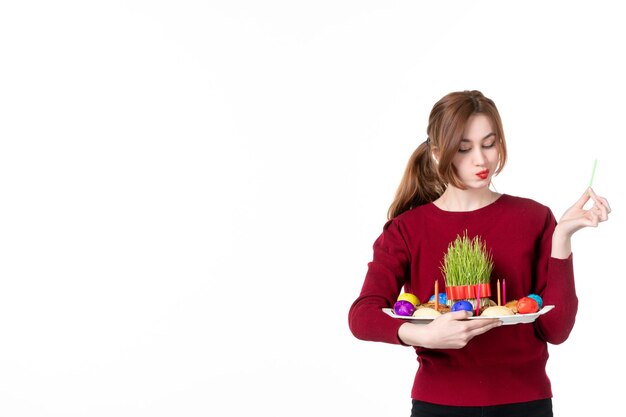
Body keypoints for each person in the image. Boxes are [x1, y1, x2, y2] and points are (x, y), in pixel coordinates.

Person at [348, 90, 611, 417]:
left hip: (526, 403)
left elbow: (556, 331)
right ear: (436, 152)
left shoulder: (534, 218)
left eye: (489, 144)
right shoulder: (406, 229)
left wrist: (562, 239)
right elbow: (362, 316)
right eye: (463, 148)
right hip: (438, 406)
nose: (481, 160)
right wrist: (425, 335)